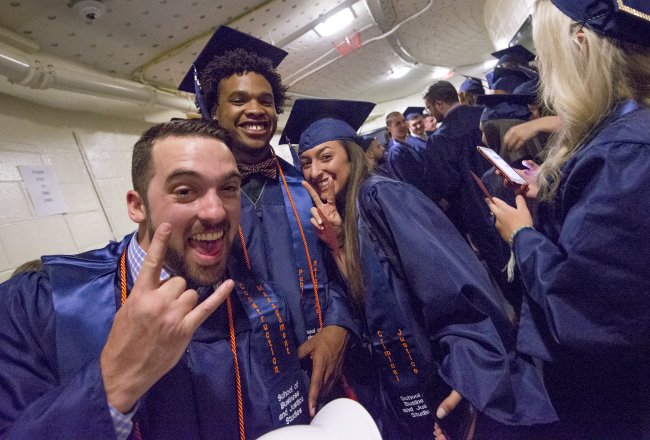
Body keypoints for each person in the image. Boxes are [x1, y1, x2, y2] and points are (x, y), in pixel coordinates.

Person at [0, 119, 311, 439]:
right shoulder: (40, 306)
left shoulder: (258, 298)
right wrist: (114, 384)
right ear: (137, 206)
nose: (216, 211)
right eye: (185, 191)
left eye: (228, 188)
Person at [285, 98, 557, 440]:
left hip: (449, 377)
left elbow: (450, 282)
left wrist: (471, 374)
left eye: (326, 157)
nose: (314, 171)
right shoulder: (346, 214)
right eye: (306, 162)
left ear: (351, 155)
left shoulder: (383, 196)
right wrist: (338, 243)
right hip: (414, 386)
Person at [487, 1, 650, 438]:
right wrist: (560, 192)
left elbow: (587, 309)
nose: (540, 64)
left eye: (546, 50)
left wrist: (522, 236)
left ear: (581, 44)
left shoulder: (622, 156)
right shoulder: (629, 139)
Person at [179, 26, 355, 417]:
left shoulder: (303, 186)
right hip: (242, 382)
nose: (256, 110)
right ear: (213, 111)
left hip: (326, 367)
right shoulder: (194, 201)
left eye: (267, 100)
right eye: (238, 100)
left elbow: (342, 268)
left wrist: (340, 326)